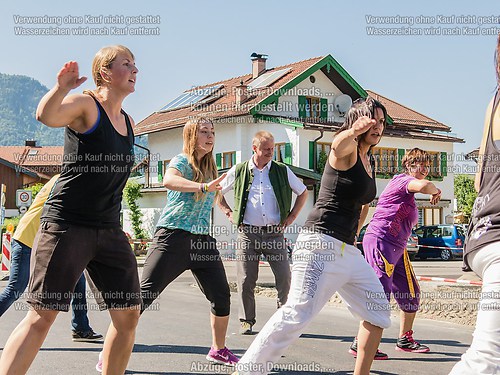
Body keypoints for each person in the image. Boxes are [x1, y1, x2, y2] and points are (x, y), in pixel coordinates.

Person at [0, 45, 141, 375]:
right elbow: (46, 116)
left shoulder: (129, 122)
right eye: (127, 64)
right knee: (42, 315)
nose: (135, 70)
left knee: (128, 314)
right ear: (105, 72)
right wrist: (61, 88)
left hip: (108, 229)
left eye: (136, 65)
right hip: (67, 225)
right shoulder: (87, 105)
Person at [234, 97, 391, 375]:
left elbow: (363, 205)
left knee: (377, 308)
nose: (378, 126)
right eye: (373, 120)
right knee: (297, 312)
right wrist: (354, 131)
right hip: (320, 243)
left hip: (346, 249)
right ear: (357, 121)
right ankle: (246, 371)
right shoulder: (348, 149)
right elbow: (337, 145)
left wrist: (355, 236)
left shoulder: (370, 160)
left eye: (382, 121)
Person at [140, 117, 239, 366]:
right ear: (191, 136)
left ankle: (218, 349)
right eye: (204, 131)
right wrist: (204, 186)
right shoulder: (181, 161)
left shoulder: (211, 167)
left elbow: (212, 195)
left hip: (203, 240)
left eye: (212, 132)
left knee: (221, 295)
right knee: (144, 295)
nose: (210, 136)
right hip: (173, 236)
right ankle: (110, 350)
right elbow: (168, 180)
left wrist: (227, 209)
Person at [352, 148, 441, 358]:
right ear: (409, 166)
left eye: (427, 166)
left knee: (410, 292)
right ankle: (361, 343)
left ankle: (405, 339)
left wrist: (433, 189)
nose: (424, 169)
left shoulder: (409, 190)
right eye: (420, 165)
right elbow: (425, 185)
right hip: (381, 241)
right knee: (380, 294)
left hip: (398, 247)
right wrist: (435, 190)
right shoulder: (402, 181)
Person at [217, 130, 307, 335]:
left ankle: (283, 319)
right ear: (254, 148)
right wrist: (229, 212)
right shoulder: (239, 170)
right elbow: (218, 191)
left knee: (285, 277)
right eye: (266, 149)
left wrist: (292, 217)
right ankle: (246, 320)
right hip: (247, 233)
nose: (270, 153)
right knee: (246, 279)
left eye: (272, 149)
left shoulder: (281, 170)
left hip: (275, 233)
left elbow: (302, 192)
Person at [449, 34, 500, 375]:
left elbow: (482, 170)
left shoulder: (493, 101)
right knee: (486, 360)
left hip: (483, 234)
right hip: (497, 239)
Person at [0, 174, 103, 342]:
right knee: (16, 288)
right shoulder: (66, 181)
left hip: (49, 241)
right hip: (28, 238)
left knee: (79, 281)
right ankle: (81, 327)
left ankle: (81, 327)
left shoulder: (68, 179)